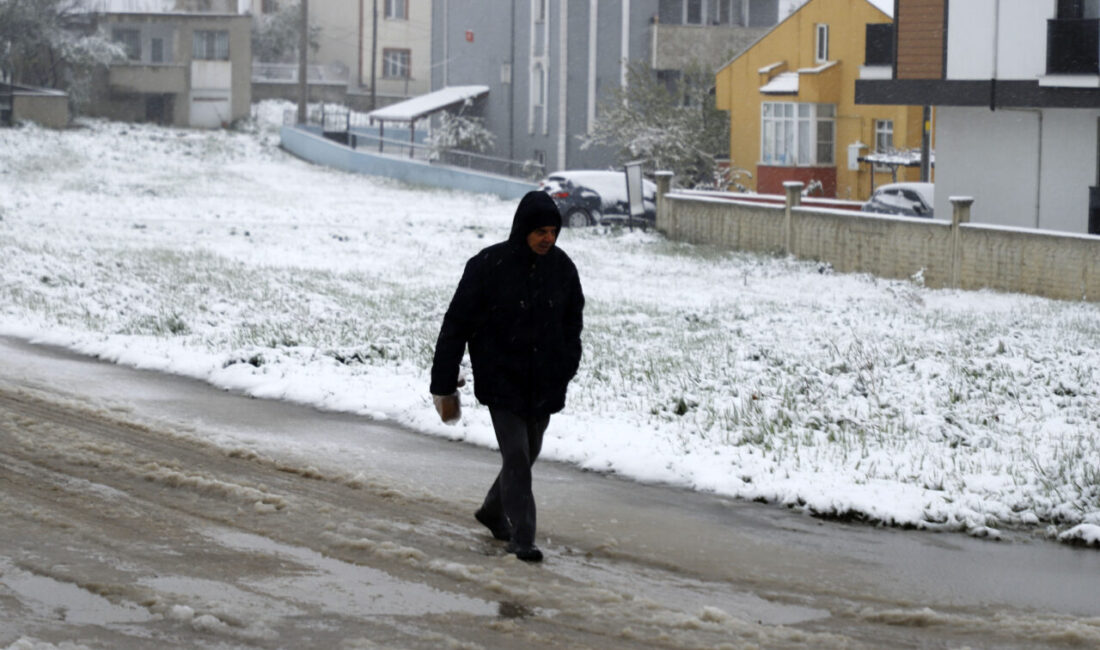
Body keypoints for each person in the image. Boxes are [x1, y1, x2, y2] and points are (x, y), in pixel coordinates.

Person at [430, 190, 585, 562]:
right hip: (501, 378)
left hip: (544, 380)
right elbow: (456, 325)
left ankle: (492, 511)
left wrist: (566, 366)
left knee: (529, 453)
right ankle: (523, 537)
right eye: (540, 231)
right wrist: (443, 384)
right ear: (522, 229)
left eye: (553, 231)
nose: (548, 238)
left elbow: (572, 324)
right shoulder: (488, 266)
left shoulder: (562, 269)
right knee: (516, 455)